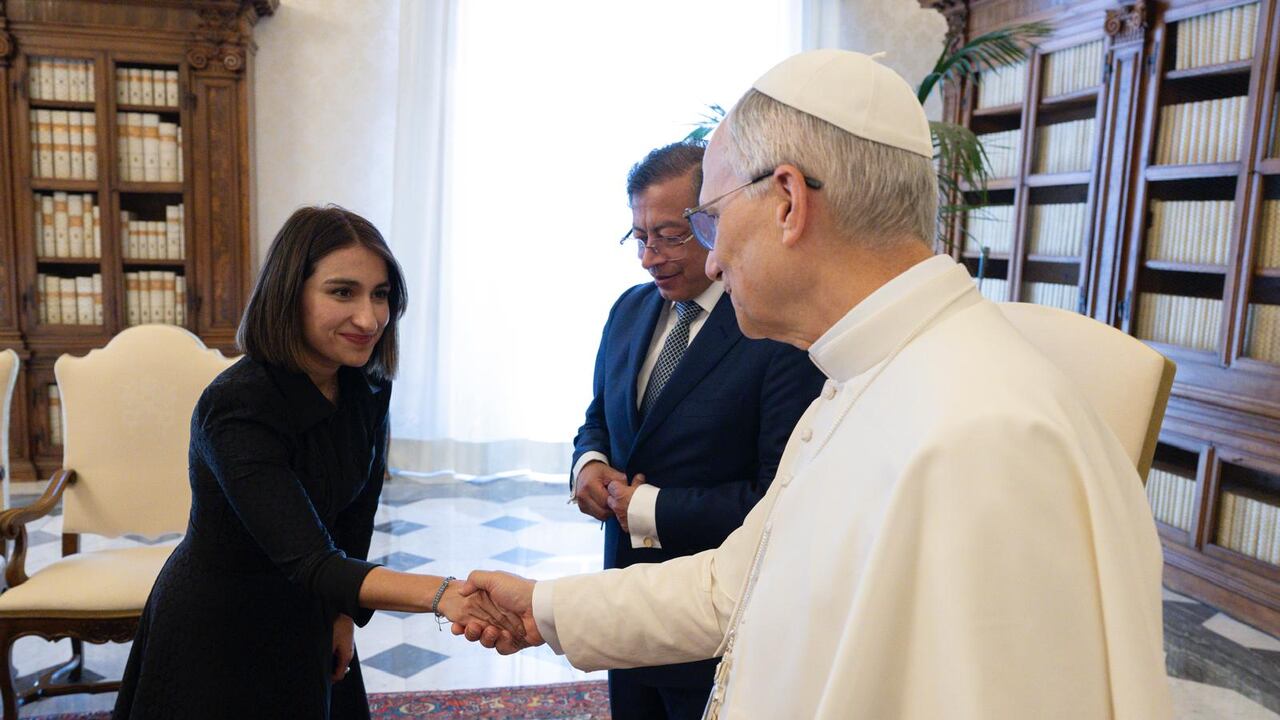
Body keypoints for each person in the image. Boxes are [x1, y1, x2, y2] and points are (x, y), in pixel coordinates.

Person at [456, 50, 1174, 718]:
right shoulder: (861, 375)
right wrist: (543, 608)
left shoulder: (982, 436)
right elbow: (733, 589)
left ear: (789, 201)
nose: (709, 261)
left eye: (709, 220)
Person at [114, 206, 522, 720]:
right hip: (221, 629)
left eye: (381, 294)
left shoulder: (366, 385)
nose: (370, 317)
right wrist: (446, 595)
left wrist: (342, 617)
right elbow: (309, 558)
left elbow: (354, 518)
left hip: (312, 609)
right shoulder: (238, 404)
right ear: (290, 294)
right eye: (343, 292)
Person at [571, 141, 824, 719]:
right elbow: (597, 418)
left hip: (713, 624)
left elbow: (776, 499)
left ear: (713, 221)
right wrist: (587, 464)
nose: (649, 257)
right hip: (625, 609)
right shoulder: (628, 310)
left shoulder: (770, 330)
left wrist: (647, 508)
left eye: (669, 235)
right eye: (639, 237)